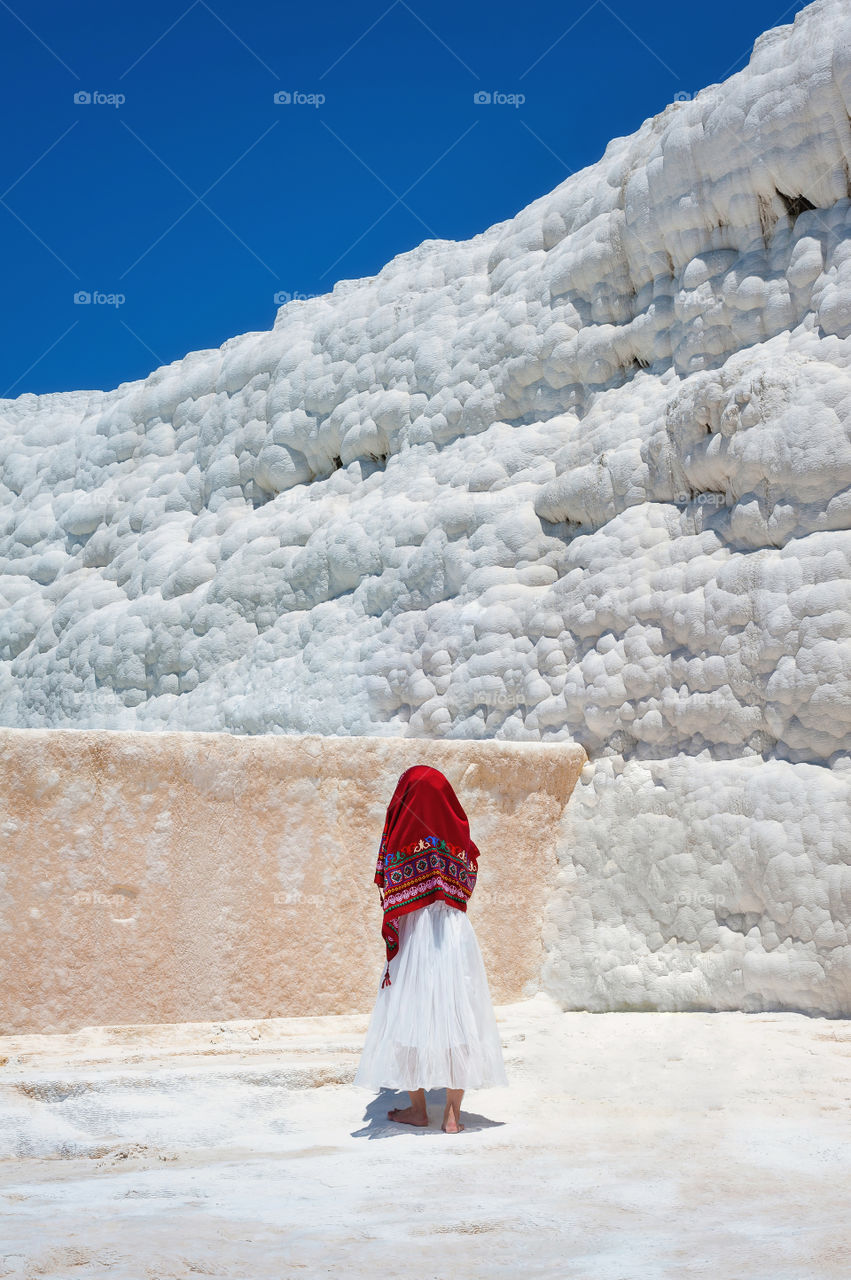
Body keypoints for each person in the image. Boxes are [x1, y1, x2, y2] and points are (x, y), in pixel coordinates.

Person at [353, 764, 509, 1133]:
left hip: (414, 933)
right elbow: (468, 872)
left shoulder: (404, 832)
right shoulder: (457, 832)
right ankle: (452, 1116)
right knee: (459, 1016)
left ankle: (419, 1110)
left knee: (407, 1014)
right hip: (454, 935)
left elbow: (390, 882)